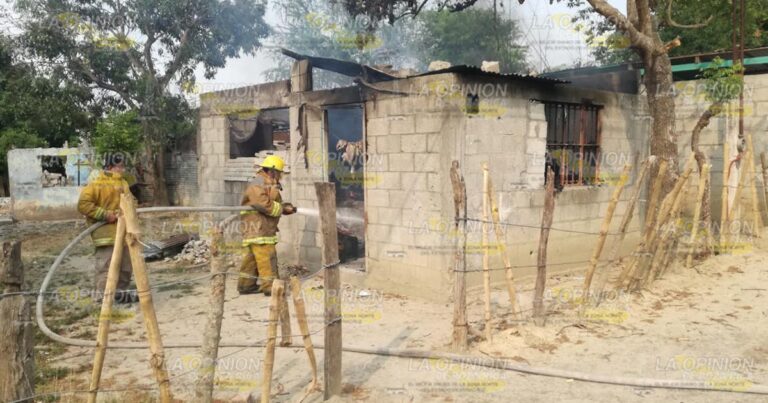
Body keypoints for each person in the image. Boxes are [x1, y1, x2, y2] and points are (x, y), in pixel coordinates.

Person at [77, 153, 138, 304]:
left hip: (124, 233)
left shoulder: (122, 182)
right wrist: (105, 215)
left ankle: (119, 295)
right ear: (111, 167)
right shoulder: (97, 182)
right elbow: (83, 205)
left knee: (125, 267)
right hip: (105, 234)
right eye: (120, 166)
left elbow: (130, 202)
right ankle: (102, 298)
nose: (123, 169)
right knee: (106, 267)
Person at [238, 155, 296, 295]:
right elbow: (262, 204)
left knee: (252, 259)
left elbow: (275, 204)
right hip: (258, 228)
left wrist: (287, 208)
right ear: (272, 171)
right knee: (267, 257)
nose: (281, 177)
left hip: (260, 228)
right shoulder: (258, 182)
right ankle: (271, 287)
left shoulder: (267, 182)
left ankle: (246, 285)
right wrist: (282, 209)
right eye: (279, 173)